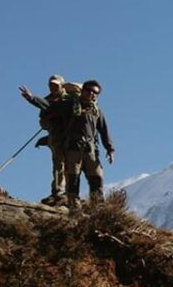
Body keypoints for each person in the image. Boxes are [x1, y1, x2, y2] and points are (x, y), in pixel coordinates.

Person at [53, 80, 115, 210]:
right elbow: (48, 106)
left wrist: (110, 149)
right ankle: (74, 209)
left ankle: (98, 209)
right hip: (73, 149)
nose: (92, 94)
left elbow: (104, 130)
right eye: (89, 90)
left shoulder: (96, 111)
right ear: (82, 90)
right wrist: (31, 98)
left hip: (91, 150)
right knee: (73, 180)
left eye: (95, 92)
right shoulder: (69, 105)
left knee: (97, 179)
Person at [19, 74, 68, 204]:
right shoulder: (47, 100)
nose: (53, 87)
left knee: (70, 164)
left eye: (56, 85)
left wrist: (32, 99)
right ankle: (58, 191)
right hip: (55, 136)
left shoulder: (69, 99)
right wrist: (49, 122)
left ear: (62, 85)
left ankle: (69, 192)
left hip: (70, 135)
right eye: (51, 85)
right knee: (58, 163)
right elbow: (43, 121)